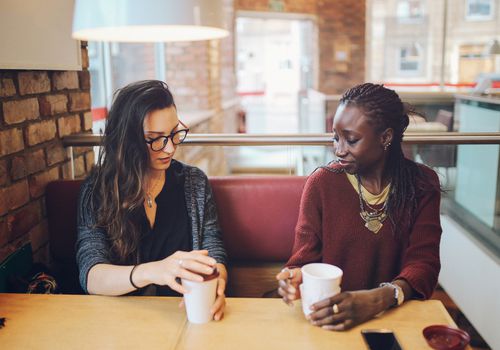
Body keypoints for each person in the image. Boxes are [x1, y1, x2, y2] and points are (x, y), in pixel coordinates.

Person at [276, 83, 442, 330]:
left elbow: (424, 265)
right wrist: (295, 278)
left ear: (385, 137)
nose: (339, 150)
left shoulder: (423, 184)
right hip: (330, 320)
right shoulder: (322, 184)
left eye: (351, 140)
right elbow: (302, 260)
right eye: (335, 137)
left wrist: (379, 298)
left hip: (396, 319)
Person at [76, 80, 227, 321]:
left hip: (183, 318)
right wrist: (154, 271)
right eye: (156, 139)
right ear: (128, 141)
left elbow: (214, 250)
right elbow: (91, 275)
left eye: (174, 134)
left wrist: (218, 282)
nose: (169, 149)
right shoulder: (98, 190)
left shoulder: (194, 182)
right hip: (120, 323)